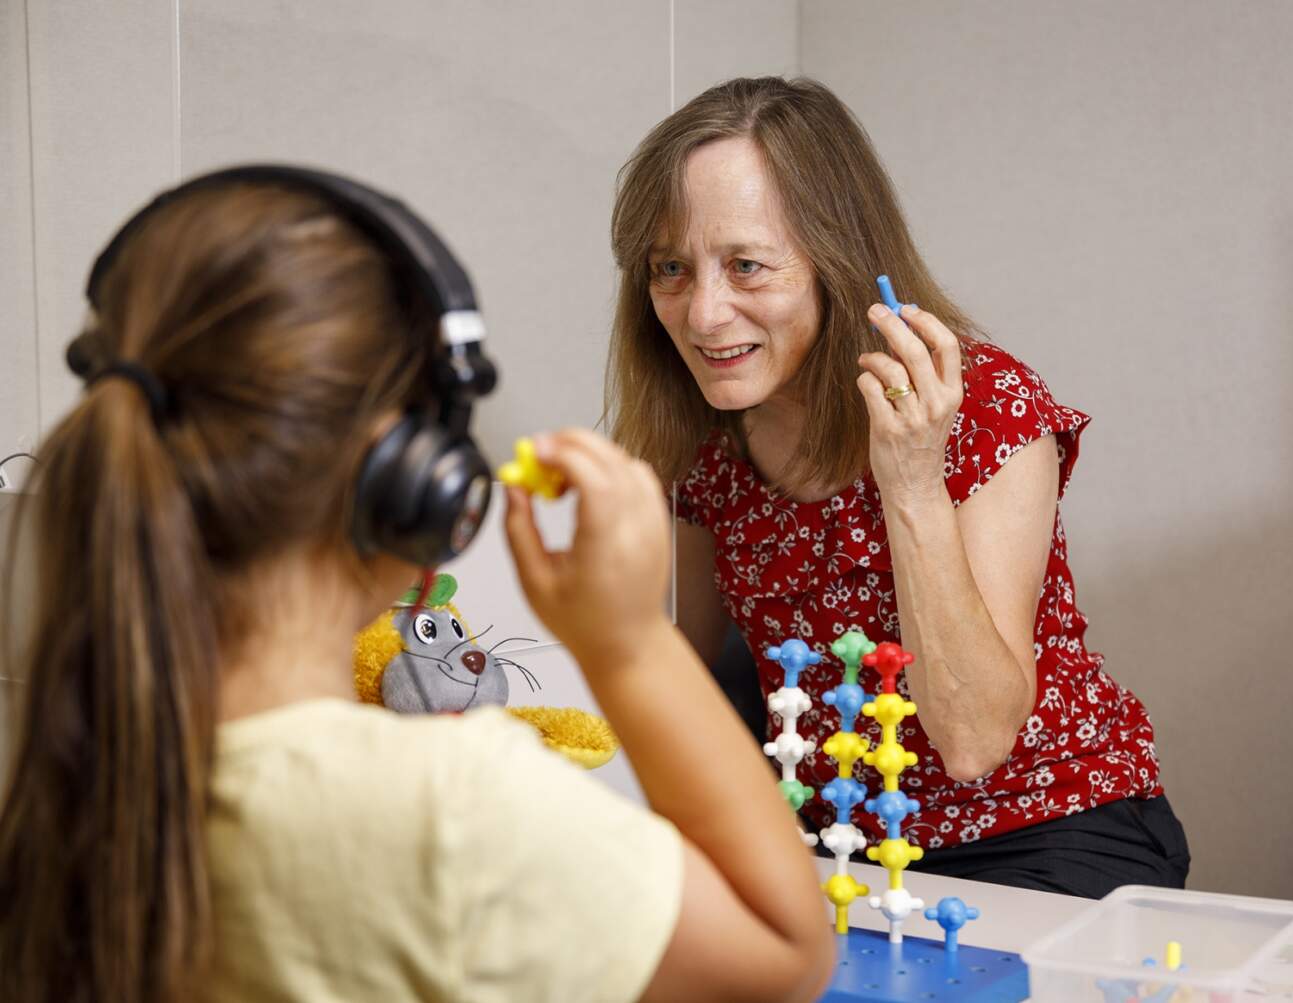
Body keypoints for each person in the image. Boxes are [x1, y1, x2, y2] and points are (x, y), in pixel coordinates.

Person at [0, 171, 831, 1002]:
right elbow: (784, 953)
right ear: (408, 481)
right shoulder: (453, 810)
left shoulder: (62, 787)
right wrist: (629, 644)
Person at [606, 76, 1190, 898]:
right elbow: (677, 670)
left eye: (746, 266)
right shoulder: (704, 441)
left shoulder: (987, 405)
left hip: (1044, 828)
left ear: (836, 263)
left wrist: (911, 479)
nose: (702, 314)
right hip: (836, 845)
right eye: (671, 267)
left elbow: (974, 739)